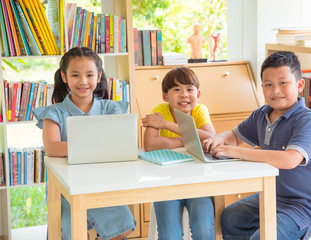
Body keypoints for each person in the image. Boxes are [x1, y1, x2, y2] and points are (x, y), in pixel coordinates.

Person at [202, 51, 311, 240]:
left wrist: (234, 152)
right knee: (230, 218)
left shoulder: (307, 119)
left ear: (299, 85)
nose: (275, 91)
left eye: (283, 83)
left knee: (262, 237)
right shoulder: (262, 114)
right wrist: (218, 139)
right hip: (275, 195)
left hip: (309, 204)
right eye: (268, 84)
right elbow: (234, 136)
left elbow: (290, 160)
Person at [32, 47, 136, 240]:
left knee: (124, 228)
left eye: (89, 75)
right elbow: (53, 147)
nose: (83, 81)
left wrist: (81, 148)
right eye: (75, 75)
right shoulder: (54, 112)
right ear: (64, 77)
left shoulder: (111, 109)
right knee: (74, 233)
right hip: (65, 190)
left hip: (103, 185)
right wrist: (99, 147)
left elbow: (121, 145)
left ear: (99, 77)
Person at [141, 66, 216, 240]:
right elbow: (150, 145)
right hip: (167, 184)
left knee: (203, 230)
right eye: (177, 89)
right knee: (170, 235)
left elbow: (211, 137)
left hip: (198, 183)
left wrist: (166, 126)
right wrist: (191, 139)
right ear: (165, 96)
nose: (184, 94)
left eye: (190, 89)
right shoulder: (161, 110)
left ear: (197, 94)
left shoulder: (200, 110)